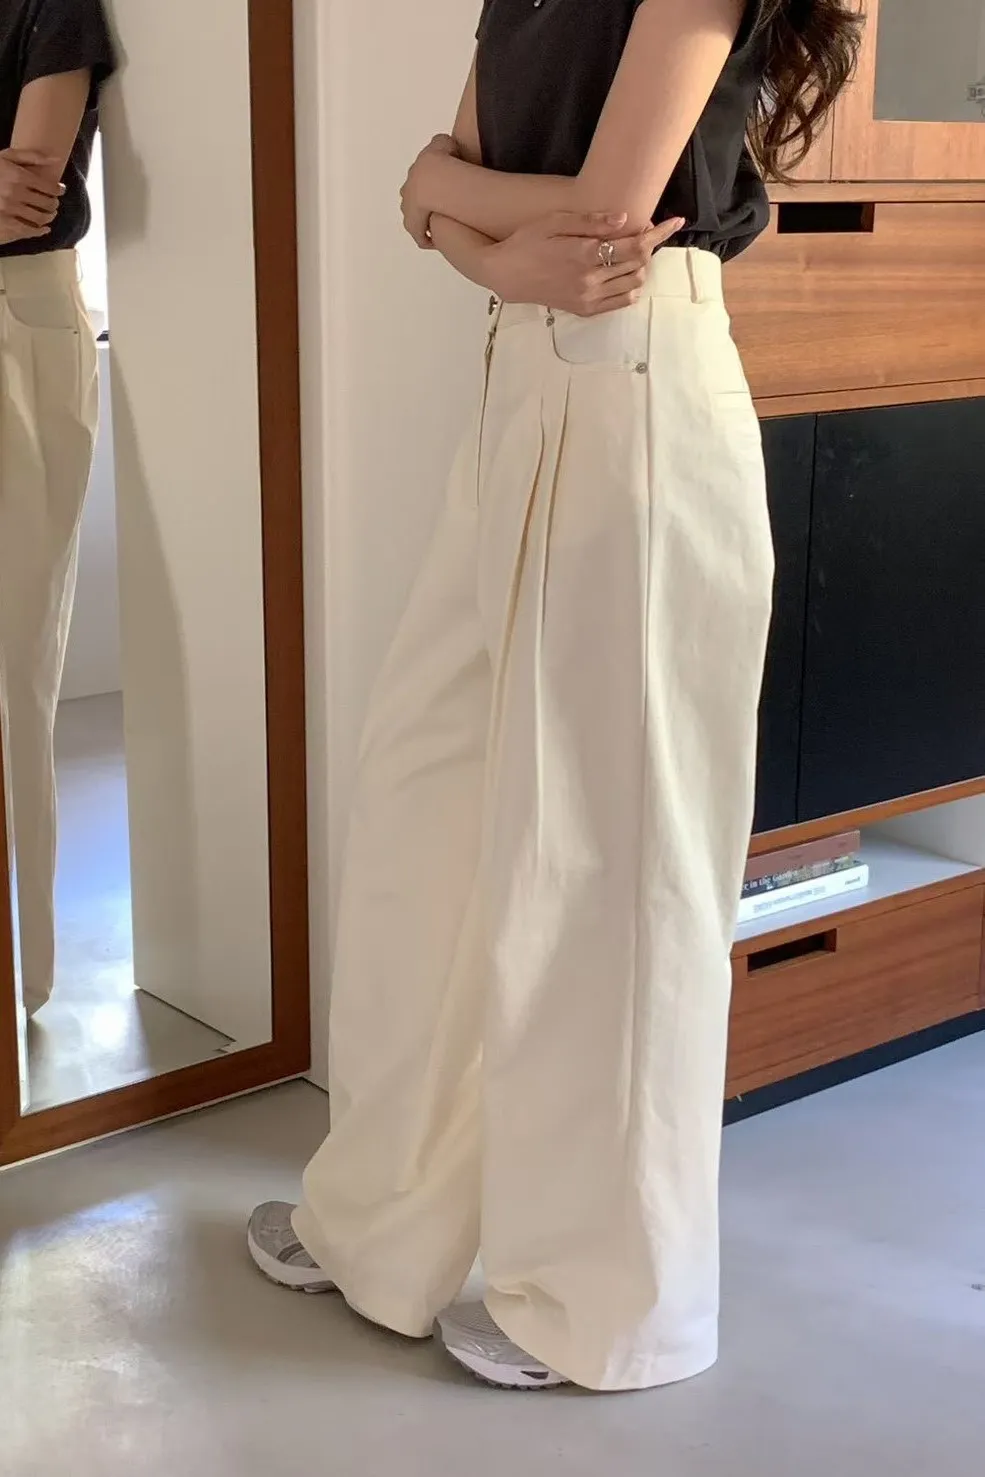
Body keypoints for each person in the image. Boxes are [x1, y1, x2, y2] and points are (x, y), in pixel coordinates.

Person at [250, 0, 862, 1391]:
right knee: (424, 811)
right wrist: (486, 239)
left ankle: (606, 1302)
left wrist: (452, 205)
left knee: (612, 866)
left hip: (640, 382)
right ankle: (382, 1225)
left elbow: (599, 209)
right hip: (521, 374)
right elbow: (460, 194)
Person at [0, 0, 116, 1018]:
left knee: (13, 663)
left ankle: (14, 975)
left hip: (16, 316)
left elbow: (27, 197)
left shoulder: (47, 6)